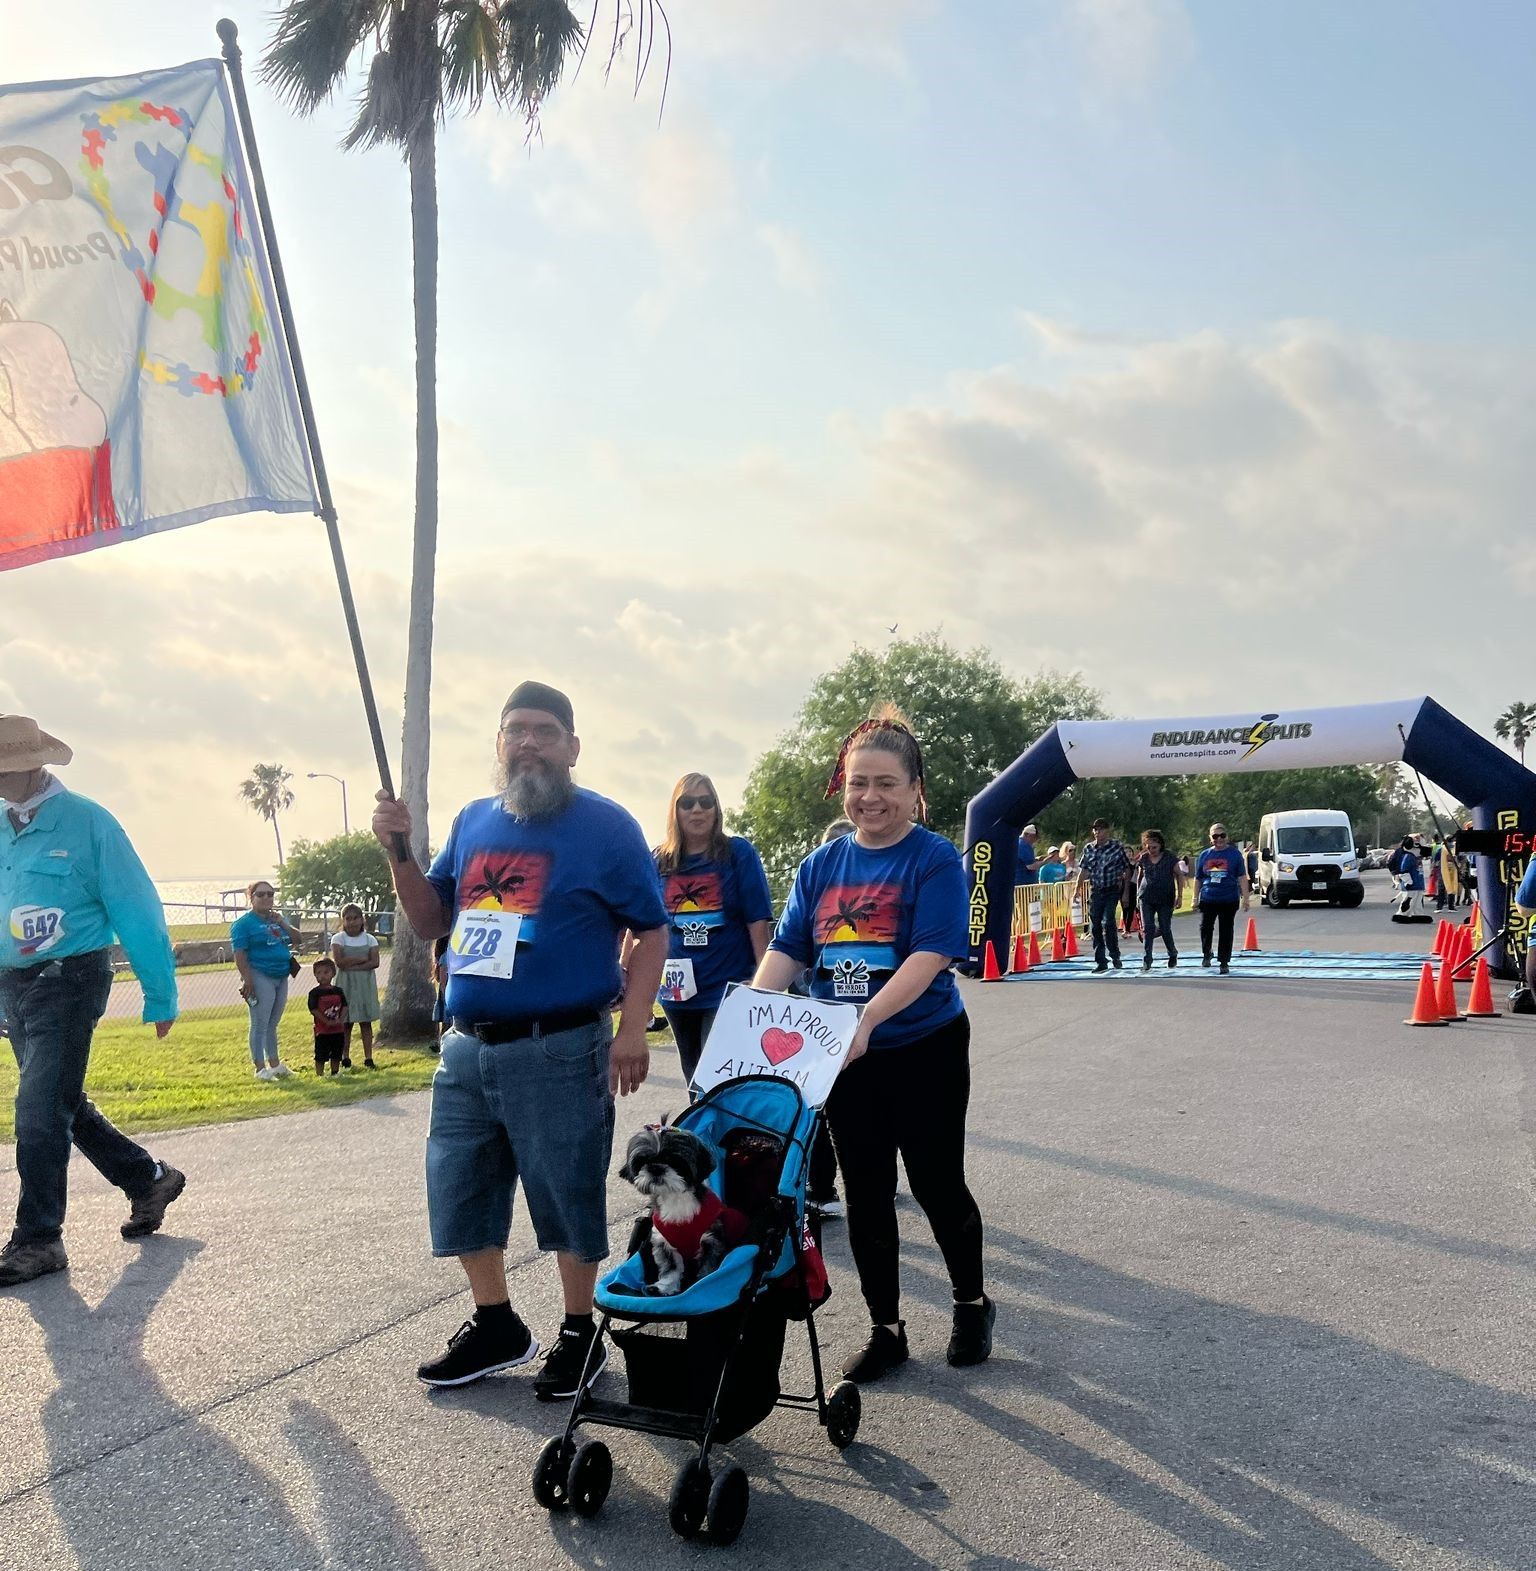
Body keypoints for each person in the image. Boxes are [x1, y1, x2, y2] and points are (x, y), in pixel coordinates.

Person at [371, 681, 668, 1399]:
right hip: (468, 1044)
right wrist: (398, 853)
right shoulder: (473, 820)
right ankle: (496, 1321)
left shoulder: (606, 826)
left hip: (561, 1042)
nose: (528, 742)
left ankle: (577, 1333)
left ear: (571, 746)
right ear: (499, 744)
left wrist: (632, 1028)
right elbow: (430, 920)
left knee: (566, 1190)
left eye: (544, 730)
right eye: (515, 730)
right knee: (461, 1185)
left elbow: (652, 928)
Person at [753, 706, 992, 1383]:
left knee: (938, 1184)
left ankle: (971, 1302)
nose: (870, 798)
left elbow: (932, 953)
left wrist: (870, 1018)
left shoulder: (934, 858)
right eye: (859, 783)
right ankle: (886, 1328)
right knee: (865, 1193)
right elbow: (789, 948)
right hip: (842, 1052)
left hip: (924, 1045)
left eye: (886, 783)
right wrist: (753, 1013)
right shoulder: (821, 864)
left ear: (916, 788)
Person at [0, 714, 185, 1288]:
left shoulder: (88, 823)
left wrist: (160, 992)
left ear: (32, 766)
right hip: (13, 983)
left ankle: (39, 1239)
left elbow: (137, 907)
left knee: (37, 1108)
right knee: (56, 1100)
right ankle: (148, 1177)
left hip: (71, 978)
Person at [647, 772, 773, 1086]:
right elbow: (646, 925)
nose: (697, 810)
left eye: (706, 802)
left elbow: (757, 920)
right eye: (687, 803)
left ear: (716, 809)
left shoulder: (737, 854)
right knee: (693, 1079)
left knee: (716, 1078)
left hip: (726, 988)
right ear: (675, 811)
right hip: (676, 991)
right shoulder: (658, 861)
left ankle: (721, 1135)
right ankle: (699, 1137)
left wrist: (763, 983)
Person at [808, 817, 854, 1222]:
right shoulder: (811, 886)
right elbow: (787, 946)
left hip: (884, 1028)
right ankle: (821, 1188)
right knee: (818, 1110)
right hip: (821, 1020)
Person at [231, 881, 297, 1081]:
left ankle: (275, 1064)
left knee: (272, 1023)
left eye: (271, 894)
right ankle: (260, 1068)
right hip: (260, 975)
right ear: (251, 898)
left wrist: (282, 923)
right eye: (261, 894)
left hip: (281, 974)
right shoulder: (243, 924)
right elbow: (239, 954)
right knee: (259, 1022)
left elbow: (298, 938)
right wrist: (248, 980)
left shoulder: (276, 920)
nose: (267, 898)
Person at [1193, 823, 1251, 973]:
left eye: (1222, 836)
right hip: (1208, 897)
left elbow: (1242, 876)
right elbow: (1198, 878)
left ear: (1227, 837)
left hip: (1228, 897)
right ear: (1210, 838)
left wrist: (1246, 897)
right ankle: (1207, 954)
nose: (1219, 839)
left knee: (1226, 929)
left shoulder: (1234, 855)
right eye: (1215, 836)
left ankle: (1224, 961)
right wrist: (1194, 898)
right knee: (1205, 927)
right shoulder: (1205, 855)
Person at [1077, 818, 1132, 973]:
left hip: (1112, 889)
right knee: (1095, 926)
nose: (1097, 832)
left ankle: (1115, 955)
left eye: (1100, 829)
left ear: (1107, 831)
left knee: (1108, 922)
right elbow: (1084, 870)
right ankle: (1101, 960)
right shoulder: (1089, 848)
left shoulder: (1116, 847)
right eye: (1095, 829)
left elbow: (1126, 869)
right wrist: (1077, 888)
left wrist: (1126, 891)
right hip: (1096, 891)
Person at [330, 904, 380, 1069]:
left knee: (365, 1022)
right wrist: (362, 958)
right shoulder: (338, 939)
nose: (352, 922)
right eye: (348, 918)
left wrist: (353, 964)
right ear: (343, 920)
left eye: (355, 918)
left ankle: (368, 1057)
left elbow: (375, 962)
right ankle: (345, 1056)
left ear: (362, 919)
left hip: (365, 985)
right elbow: (340, 962)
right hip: (345, 985)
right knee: (346, 1022)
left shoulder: (370, 939)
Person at [1135, 829, 1185, 971]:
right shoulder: (1143, 858)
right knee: (1148, 928)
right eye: (1148, 847)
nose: (1151, 850)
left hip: (1165, 898)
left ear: (1160, 844)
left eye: (1154, 847)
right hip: (1146, 898)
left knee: (1164, 927)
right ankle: (1147, 959)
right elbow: (1140, 876)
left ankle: (1172, 953)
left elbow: (1180, 876)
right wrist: (1138, 896)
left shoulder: (1169, 858)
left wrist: (1179, 896)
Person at [307, 957, 349, 1076]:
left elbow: (345, 1006)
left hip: (338, 1029)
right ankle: (319, 1074)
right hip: (322, 1030)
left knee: (336, 1052)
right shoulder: (314, 993)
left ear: (333, 973)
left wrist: (341, 1019)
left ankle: (335, 1072)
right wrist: (325, 1021)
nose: (322, 976)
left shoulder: (338, 991)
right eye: (318, 973)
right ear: (315, 975)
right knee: (321, 1053)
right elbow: (313, 1009)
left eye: (326, 972)